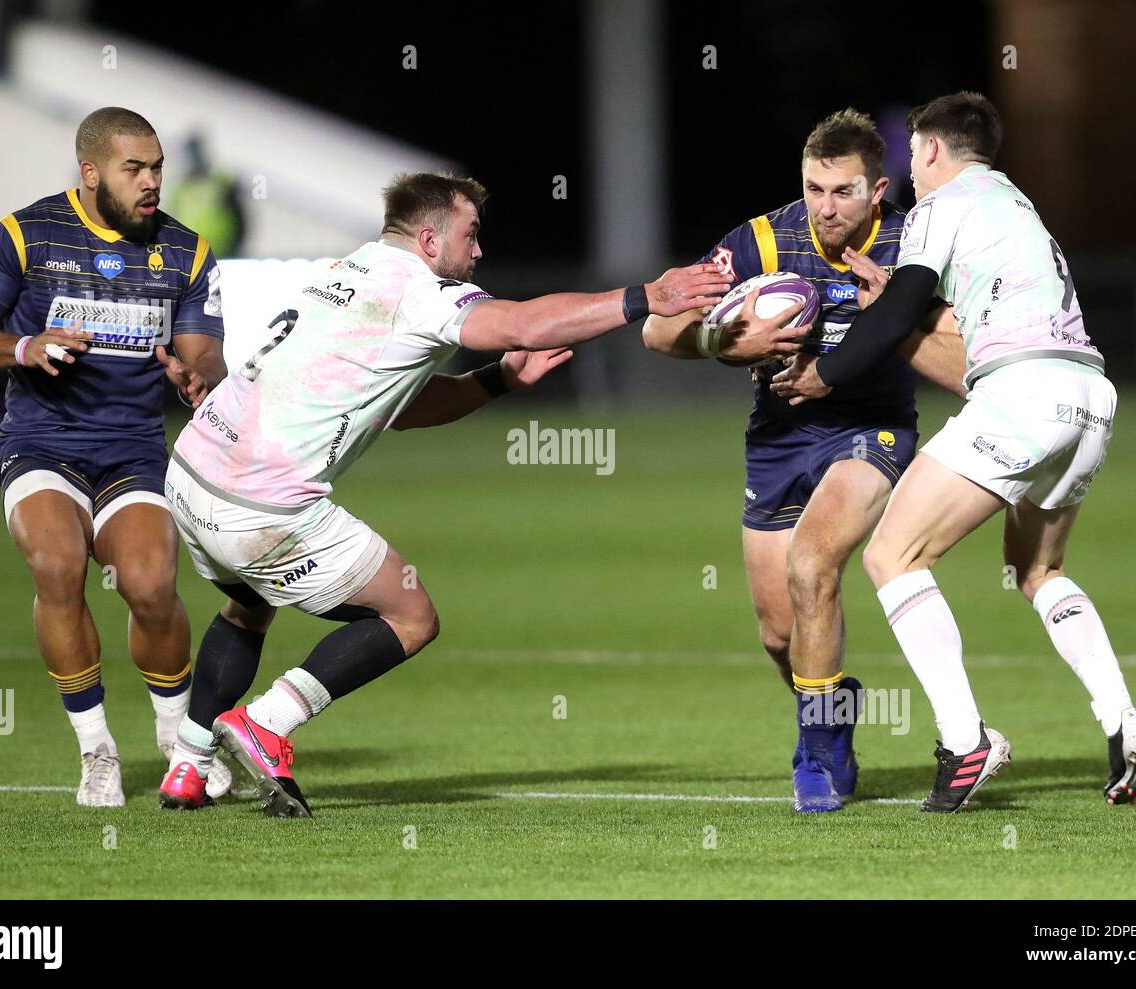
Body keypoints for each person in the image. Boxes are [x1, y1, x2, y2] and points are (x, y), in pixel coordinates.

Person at [157, 172, 731, 816]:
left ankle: (187, 763)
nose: (479, 251)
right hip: (260, 506)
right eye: (471, 235)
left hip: (190, 471)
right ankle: (267, 721)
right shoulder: (422, 293)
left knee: (247, 608)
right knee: (411, 616)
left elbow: (399, 406)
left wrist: (496, 385)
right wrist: (648, 296)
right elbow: (522, 324)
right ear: (430, 240)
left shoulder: (349, 269)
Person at [772, 92, 1136, 811]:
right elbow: (954, 315)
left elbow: (896, 312)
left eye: (913, 152)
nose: (912, 169)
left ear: (933, 151)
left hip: (1023, 395)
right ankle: (1122, 717)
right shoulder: (1015, 204)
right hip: (1090, 396)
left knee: (893, 555)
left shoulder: (937, 208)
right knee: (1038, 567)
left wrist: (824, 372)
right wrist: (900, 303)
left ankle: (964, 739)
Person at [643, 109, 965, 812]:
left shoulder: (917, 243)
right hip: (779, 436)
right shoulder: (763, 240)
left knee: (814, 562)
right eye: (815, 188)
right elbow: (657, 328)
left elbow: (964, 359)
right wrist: (723, 345)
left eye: (843, 191)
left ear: (879, 188)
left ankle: (816, 757)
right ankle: (833, 709)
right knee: (779, 633)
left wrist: (897, 328)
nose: (826, 207)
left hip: (872, 430)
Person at [0, 107, 233, 806]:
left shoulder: (186, 252)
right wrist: (23, 346)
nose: (152, 181)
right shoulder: (25, 234)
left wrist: (199, 376)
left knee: (152, 586)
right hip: (43, 443)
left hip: (132, 448)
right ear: (91, 172)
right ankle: (97, 749)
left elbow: (206, 353)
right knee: (58, 564)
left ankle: (176, 740)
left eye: (157, 166)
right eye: (135, 169)